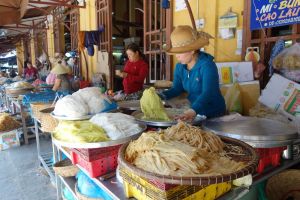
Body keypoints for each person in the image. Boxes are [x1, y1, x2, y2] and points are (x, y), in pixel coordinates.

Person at [161, 25, 226, 121]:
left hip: (213, 113)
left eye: (180, 52)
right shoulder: (180, 67)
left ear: (192, 50)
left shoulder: (207, 66)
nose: (177, 56)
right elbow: (176, 89)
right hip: (194, 111)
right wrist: (160, 96)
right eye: (176, 52)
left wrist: (192, 111)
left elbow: (207, 93)